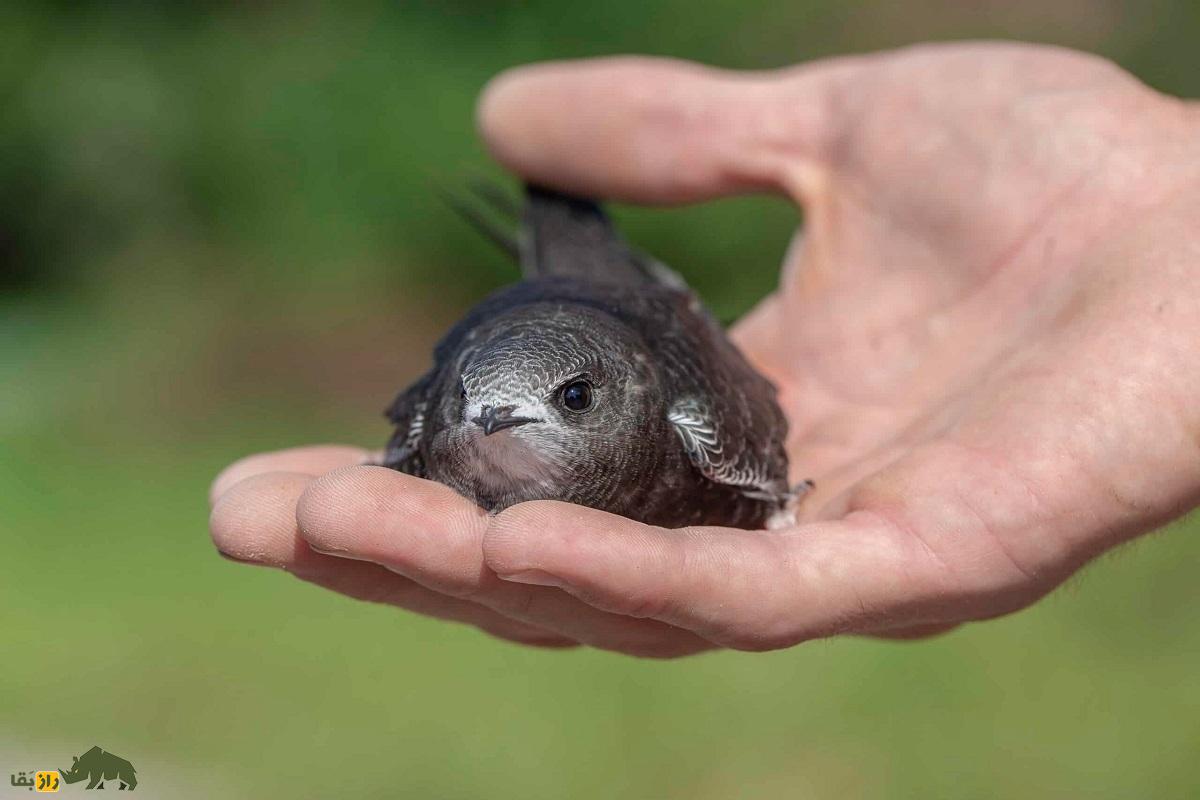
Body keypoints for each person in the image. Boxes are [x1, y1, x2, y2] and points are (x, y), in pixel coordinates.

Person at [208, 42, 1200, 657]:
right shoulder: (451, 413)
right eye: (473, 405)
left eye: (565, 403)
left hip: (631, 307)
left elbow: (638, 360)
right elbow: (478, 402)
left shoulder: (693, 420)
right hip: (558, 308)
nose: (489, 422)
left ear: (625, 402)